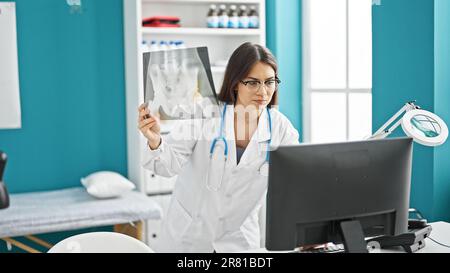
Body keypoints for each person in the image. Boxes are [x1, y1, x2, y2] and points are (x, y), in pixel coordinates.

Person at [138, 42, 300, 253]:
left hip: (239, 241)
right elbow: (167, 166)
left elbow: (297, 180)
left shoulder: (280, 128)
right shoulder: (202, 113)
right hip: (190, 236)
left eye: (270, 82)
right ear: (235, 83)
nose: (263, 91)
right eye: (253, 83)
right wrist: (154, 139)